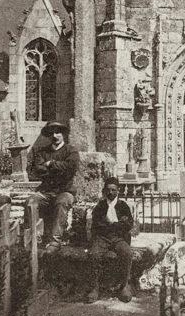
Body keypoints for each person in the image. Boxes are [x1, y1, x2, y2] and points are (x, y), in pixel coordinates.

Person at [27, 121, 79, 254]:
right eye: (52, 133)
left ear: (63, 134)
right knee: (31, 201)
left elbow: (70, 169)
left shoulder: (71, 151)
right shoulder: (42, 151)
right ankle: (34, 237)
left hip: (64, 190)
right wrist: (58, 167)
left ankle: (55, 241)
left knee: (62, 202)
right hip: (46, 191)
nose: (55, 136)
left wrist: (51, 164)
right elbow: (36, 170)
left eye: (58, 132)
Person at [87, 176, 135, 304]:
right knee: (94, 255)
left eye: (114, 190)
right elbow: (97, 224)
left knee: (127, 253)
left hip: (118, 238)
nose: (111, 193)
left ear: (118, 190)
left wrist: (113, 225)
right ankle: (95, 288)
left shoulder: (123, 206)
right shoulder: (100, 206)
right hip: (102, 238)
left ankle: (124, 286)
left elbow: (129, 224)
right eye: (108, 190)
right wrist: (117, 224)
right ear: (104, 191)